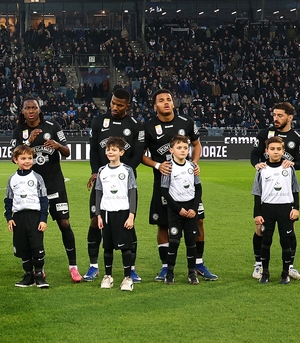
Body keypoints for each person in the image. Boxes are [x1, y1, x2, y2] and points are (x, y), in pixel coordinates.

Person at [141, 88, 211, 282]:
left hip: (188, 183)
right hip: (163, 184)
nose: (166, 102)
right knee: (163, 225)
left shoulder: (186, 122)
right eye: (161, 100)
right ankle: (165, 267)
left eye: (169, 99)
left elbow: (196, 144)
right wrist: (156, 164)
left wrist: (195, 163)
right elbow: (140, 154)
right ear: (155, 106)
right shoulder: (148, 127)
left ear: (173, 103)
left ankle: (198, 264)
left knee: (198, 220)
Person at [10, 98, 78, 282]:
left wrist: (57, 145)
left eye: (34, 107)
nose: (31, 111)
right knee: (34, 228)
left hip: (54, 184)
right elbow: (13, 157)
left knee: (64, 223)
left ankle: (73, 266)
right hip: (32, 190)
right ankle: (37, 268)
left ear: (39, 109)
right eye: (27, 108)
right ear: (22, 111)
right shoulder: (19, 132)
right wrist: (28, 142)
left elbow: (67, 151)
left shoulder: (52, 126)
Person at [84, 87, 143, 283]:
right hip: (102, 181)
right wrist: (95, 171)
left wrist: (123, 172)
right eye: (113, 103)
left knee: (128, 223)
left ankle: (131, 269)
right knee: (95, 220)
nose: (115, 107)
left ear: (128, 105)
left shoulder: (135, 126)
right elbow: (93, 150)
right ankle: (94, 266)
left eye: (120, 105)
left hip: (124, 184)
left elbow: (137, 155)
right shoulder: (99, 121)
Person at [250, 102, 300, 280]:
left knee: (289, 230)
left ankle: (289, 267)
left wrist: (293, 164)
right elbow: (254, 154)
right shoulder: (263, 134)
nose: (276, 118)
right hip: (267, 188)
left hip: (285, 190)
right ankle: (259, 264)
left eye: (280, 115)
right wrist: (256, 164)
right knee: (260, 229)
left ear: (290, 117)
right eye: (274, 114)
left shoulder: (297, 138)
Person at [252, 137, 300, 285]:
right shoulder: (262, 170)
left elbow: (295, 190)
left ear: (283, 151)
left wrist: (296, 208)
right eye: (272, 149)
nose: (276, 152)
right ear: (266, 151)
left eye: (279, 149)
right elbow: (257, 193)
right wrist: (257, 214)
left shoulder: (288, 168)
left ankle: (285, 273)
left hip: (285, 209)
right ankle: (265, 272)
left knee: (285, 241)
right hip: (267, 209)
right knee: (266, 241)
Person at [93, 137, 138, 292]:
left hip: (123, 211)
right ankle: (108, 276)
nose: (110, 152)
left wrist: (131, 215)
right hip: (106, 212)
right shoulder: (102, 171)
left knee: (126, 247)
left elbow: (132, 193)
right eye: (108, 150)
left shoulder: (127, 170)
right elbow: (98, 193)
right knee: (107, 247)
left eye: (114, 150)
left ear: (121, 152)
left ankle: (127, 278)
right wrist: (98, 214)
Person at [5, 144, 50, 289]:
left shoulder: (37, 177)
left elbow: (44, 199)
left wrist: (43, 219)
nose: (27, 161)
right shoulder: (12, 179)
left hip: (34, 217)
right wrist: (9, 218)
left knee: (36, 246)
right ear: (15, 160)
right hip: (18, 217)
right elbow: (8, 200)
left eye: (30, 158)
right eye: (23, 158)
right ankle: (28, 275)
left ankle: (39, 275)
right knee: (23, 247)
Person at [159, 135, 201, 285]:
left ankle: (192, 273)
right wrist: (179, 209)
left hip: (190, 210)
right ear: (171, 150)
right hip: (175, 211)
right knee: (174, 242)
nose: (183, 150)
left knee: (191, 242)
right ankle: (170, 273)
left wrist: (194, 209)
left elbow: (198, 188)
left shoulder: (192, 166)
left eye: (185, 147)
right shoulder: (169, 167)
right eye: (179, 147)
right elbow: (164, 191)